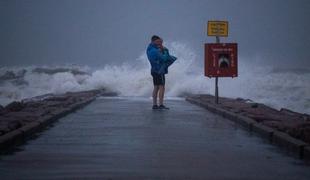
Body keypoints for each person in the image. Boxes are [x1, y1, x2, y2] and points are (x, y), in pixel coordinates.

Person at [146, 35, 177, 110]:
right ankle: (161, 105)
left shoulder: (149, 49)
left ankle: (154, 105)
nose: (160, 43)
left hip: (153, 70)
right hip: (159, 70)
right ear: (154, 41)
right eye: (159, 41)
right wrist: (166, 51)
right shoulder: (155, 50)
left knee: (156, 87)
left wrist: (160, 48)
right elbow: (164, 58)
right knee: (162, 87)